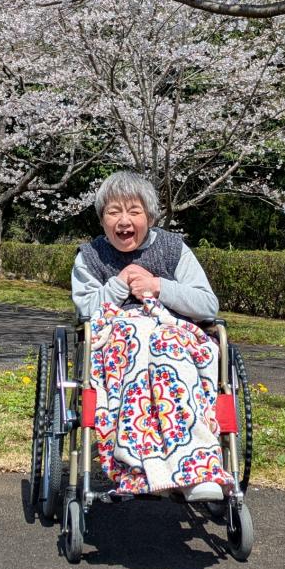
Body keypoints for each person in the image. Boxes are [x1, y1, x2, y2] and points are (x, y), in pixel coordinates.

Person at [71, 170, 233, 501]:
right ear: (102, 219)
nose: (124, 220)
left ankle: (197, 469)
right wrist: (118, 285)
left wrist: (159, 286)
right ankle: (143, 466)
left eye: (134, 211)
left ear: (150, 216)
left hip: (172, 333)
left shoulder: (174, 250)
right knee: (136, 338)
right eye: (114, 212)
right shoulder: (89, 257)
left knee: (166, 349)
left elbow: (207, 304)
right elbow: (85, 311)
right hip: (118, 338)